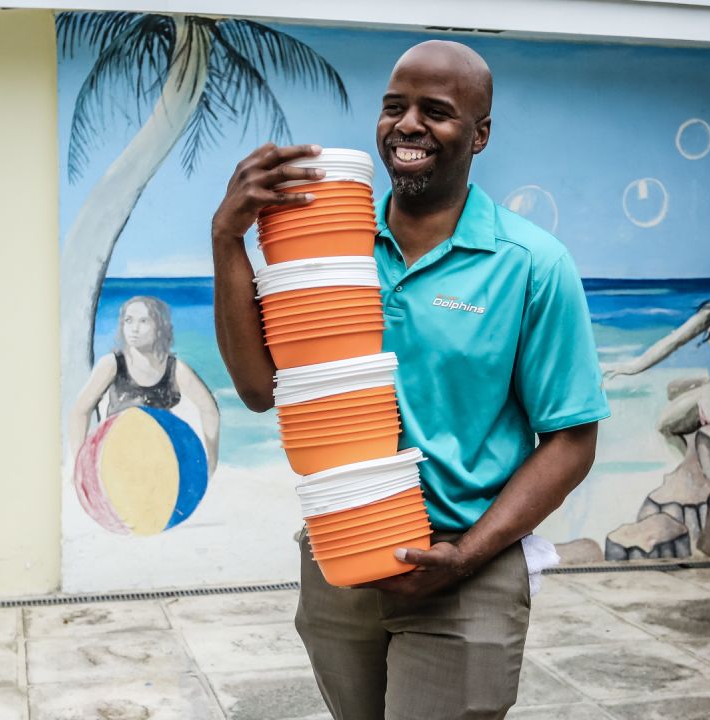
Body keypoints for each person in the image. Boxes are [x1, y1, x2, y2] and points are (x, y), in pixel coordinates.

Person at [211, 40, 609, 720]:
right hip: (342, 557)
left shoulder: (530, 264)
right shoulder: (330, 247)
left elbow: (571, 439)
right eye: (394, 107)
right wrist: (228, 239)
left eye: (438, 111)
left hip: (465, 573)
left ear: (480, 135)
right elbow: (257, 388)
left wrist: (465, 555)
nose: (408, 125)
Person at [603, 261, 710, 457]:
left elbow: (673, 341)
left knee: (664, 426)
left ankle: (688, 465)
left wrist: (632, 367)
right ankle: (698, 430)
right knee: (674, 389)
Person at [69, 295, 220, 477]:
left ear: (159, 327)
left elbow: (209, 409)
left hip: (160, 459)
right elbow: (80, 410)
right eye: (128, 320)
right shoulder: (112, 364)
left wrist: (211, 460)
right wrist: (79, 461)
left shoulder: (175, 368)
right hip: (117, 458)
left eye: (143, 321)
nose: (134, 328)